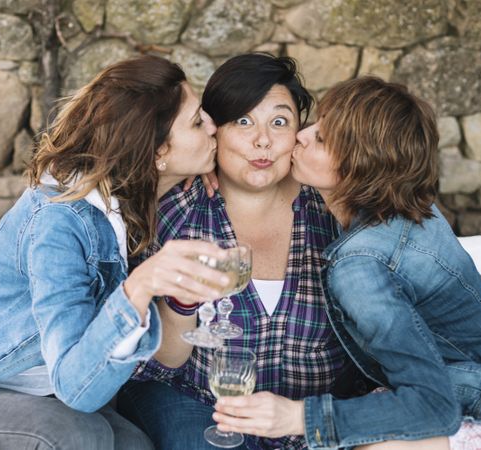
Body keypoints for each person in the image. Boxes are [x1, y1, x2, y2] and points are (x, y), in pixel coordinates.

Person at [0, 55, 234, 450]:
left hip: (48, 396)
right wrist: (139, 288)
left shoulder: (136, 202)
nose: (215, 127)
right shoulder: (60, 221)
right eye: (197, 122)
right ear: (157, 150)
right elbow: (79, 391)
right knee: (79, 437)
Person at [213, 76, 481, 449]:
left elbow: (434, 406)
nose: (300, 134)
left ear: (357, 167)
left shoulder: (358, 266)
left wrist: (296, 416)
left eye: (320, 139)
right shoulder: (407, 203)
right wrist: (214, 166)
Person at [117, 53, 367, 450]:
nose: (263, 140)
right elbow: (159, 361)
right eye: (244, 121)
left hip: (310, 416)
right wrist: (182, 304)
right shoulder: (176, 213)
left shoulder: (332, 212)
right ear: (214, 129)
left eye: (279, 122)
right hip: (198, 403)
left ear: (299, 133)